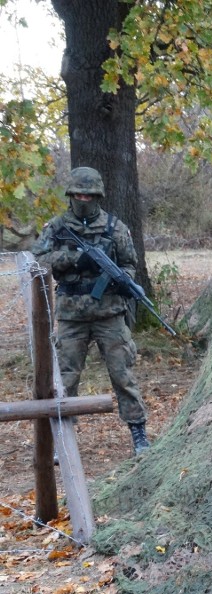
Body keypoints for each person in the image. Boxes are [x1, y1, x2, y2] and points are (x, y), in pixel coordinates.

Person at [32, 167, 150, 456]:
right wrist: (74, 260)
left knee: (122, 374)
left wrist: (120, 281)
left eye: (89, 194)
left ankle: (138, 434)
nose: (84, 198)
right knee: (66, 378)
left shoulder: (115, 227)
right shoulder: (57, 228)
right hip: (72, 316)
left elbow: (129, 263)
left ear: (98, 196)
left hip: (109, 314)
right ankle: (62, 441)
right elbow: (37, 260)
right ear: (71, 195)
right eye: (79, 194)